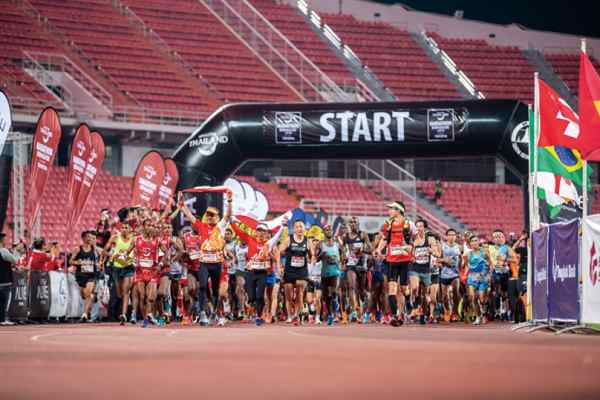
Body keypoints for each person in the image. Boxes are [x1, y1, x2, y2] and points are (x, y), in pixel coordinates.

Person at [180, 191, 233, 326]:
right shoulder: (201, 226)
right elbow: (189, 215)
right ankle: (202, 312)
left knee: (215, 290)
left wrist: (230, 201)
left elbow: (228, 215)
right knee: (202, 286)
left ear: (216, 217)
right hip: (204, 263)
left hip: (216, 263)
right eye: (208, 215)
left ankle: (214, 312)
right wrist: (181, 203)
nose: (209, 217)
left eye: (212, 215)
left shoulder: (220, 227)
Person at [230, 217, 287, 326]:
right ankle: (252, 306)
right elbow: (238, 231)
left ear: (266, 234)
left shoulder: (269, 243)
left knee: (260, 296)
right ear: (256, 232)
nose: (260, 233)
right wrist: (233, 221)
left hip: (262, 273)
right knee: (251, 298)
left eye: (263, 231)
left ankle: (259, 316)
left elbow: (277, 236)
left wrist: (283, 226)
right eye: (259, 231)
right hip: (250, 273)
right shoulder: (250, 239)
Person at [374, 201, 413, 327]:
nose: (389, 211)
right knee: (391, 288)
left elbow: (417, 239)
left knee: (404, 289)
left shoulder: (408, 224)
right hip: (392, 260)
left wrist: (411, 248)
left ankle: (408, 302)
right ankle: (395, 315)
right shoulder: (388, 224)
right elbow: (385, 239)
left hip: (405, 260)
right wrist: (378, 249)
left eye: (391, 209)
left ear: (398, 210)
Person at [279, 219, 313, 325]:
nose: (299, 228)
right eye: (297, 227)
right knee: (288, 295)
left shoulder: (308, 241)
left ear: (304, 229)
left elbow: (312, 255)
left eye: (301, 226)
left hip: (302, 271)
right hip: (289, 270)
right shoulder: (288, 240)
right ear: (293, 229)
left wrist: (311, 262)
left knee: (300, 294)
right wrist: (279, 266)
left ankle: (297, 316)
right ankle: (289, 316)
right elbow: (279, 252)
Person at [129, 219, 162, 327]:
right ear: (143, 227)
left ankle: (149, 315)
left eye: (152, 225)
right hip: (140, 272)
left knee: (151, 297)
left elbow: (167, 253)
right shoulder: (136, 239)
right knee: (142, 297)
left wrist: (160, 264)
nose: (151, 227)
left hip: (152, 272)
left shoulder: (157, 241)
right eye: (148, 225)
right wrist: (131, 260)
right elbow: (127, 252)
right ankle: (146, 319)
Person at [104, 222, 135, 325]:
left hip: (128, 267)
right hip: (117, 268)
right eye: (123, 227)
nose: (124, 229)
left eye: (126, 227)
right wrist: (111, 255)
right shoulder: (115, 238)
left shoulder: (133, 239)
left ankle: (124, 314)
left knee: (126, 291)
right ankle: (123, 310)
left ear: (130, 229)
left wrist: (132, 258)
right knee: (119, 293)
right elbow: (104, 251)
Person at [408, 219, 437, 324]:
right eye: (417, 226)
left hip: (426, 269)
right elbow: (409, 251)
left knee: (425, 294)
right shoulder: (413, 239)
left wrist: (432, 251)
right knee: (415, 288)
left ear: (424, 228)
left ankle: (423, 314)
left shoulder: (430, 239)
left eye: (421, 226)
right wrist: (411, 257)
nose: (419, 228)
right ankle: (414, 307)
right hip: (414, 268)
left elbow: (437, 253)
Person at [342, 217, 371, 323]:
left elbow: (370, 248)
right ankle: (354, 311)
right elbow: (343, 249)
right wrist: (343, 257)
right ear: (349, 224)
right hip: (350, 265)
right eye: (351, 222)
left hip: (362, 265)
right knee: (351, 287)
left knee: (362, 291)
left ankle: (364, 313)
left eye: (355, 222)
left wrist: (362, 250)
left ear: (358, 224)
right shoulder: (345, 236)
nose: (353, 224)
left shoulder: (363, 235)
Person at [71, 231, 102, 322]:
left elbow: (102, 255)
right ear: (83, 238)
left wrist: (100, 263)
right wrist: (78, 262)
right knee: (84, 295)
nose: (89, 239)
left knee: (88, 293)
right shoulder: (78, 249)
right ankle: (90, 302)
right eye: (87, 237)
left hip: (91, 275)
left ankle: (84, 314)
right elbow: (70, 261)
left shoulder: (95, 249)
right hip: (81, 275)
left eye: (90, 237)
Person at [316, 224, 342, 326]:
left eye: (330, 229)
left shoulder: (337, 244)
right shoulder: (320, 244)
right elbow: (317, 258)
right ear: (323, 232)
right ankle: (330, 315)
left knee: (334, 292)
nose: (329, 231)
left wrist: (338, 259)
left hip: (335, 272)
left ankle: (336, 301)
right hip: (325, 273)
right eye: (326, 230)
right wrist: (322, 255)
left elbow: (343, 255)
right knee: (326, 296)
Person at [466, 235, 492, 325]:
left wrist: (489, 276)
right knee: (473, 298)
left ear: (478, 242)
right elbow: (466, 265)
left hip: (483, 277)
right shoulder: (468, 254)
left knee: (481, 299)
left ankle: (484, 313)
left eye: (475, 240)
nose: (474, 242)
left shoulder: (484, 252)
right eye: (472, 241)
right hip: (472, 277)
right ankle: (478, 316)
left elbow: (490, 264)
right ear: (470, 244)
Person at [440, 228, 462, 322]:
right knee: (444, 296)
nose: (451, 237)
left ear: (456, 236)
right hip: (444, 273)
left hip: (455, 273)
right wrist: (445, 260)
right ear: (446, 236)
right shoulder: (442, 246)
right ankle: (447, 311)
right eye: (449, 235)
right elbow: (437, 258)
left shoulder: (459, 247)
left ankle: (455, 312)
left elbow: (462, 259)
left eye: (453, 235)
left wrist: (460, 268)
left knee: (456, 292)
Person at [489, 229, 510, 320]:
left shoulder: (507, 248)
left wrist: (506, 262)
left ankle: (504, 310)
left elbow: (513, 259)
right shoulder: (489, 248)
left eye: (500, 236)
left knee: (505, 293)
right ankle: (497, 310)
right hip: (495, 272)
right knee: (496, 291)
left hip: (505, 272)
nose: (498, 238)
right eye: (496, 237)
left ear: (503, 238)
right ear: (493, 239)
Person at [0, 233, 18, 326]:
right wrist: (15, 252)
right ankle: (3, 319)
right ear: (2, 240)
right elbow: (14, 260)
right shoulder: (3, 251)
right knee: (5, 301)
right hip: (4, 280)